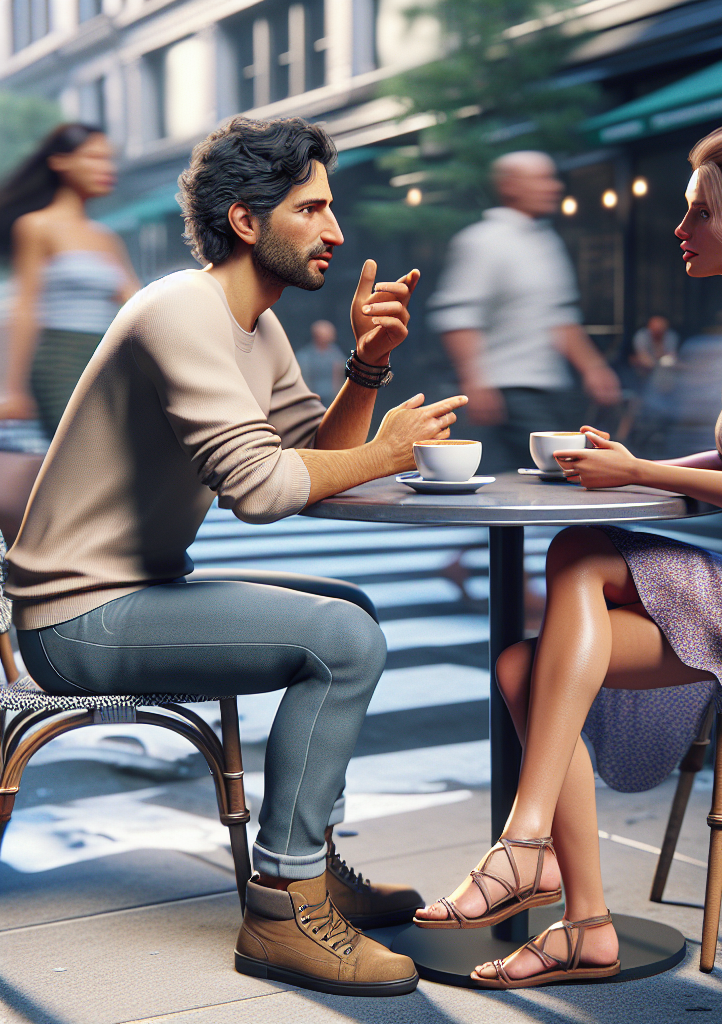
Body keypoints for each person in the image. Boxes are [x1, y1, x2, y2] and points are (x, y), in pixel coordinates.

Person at [414, 114, 722, 989]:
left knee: (582, 552)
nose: (679, 228)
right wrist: (622, 466)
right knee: (526, 668)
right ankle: (585, 924)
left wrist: (636, 471)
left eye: (698, 213)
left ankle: (525, 842)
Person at [6, 116, 467, 997]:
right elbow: (259, 489)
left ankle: (310, 862)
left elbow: (312, 462)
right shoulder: (181, 309)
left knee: (352, 613)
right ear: (247, 221)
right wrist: (391, 451)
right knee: (343, 642)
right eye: (311, 209)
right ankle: (282, 910)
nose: (336, 231)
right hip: (77, 618)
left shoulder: (259, 327)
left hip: (136, 590)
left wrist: (366, 369)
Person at [428, 150, 621, 471]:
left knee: (552, 476)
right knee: (545, 475)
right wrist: (475, 381)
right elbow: (458, 317)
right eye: (542, 179)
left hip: (553, 388)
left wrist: (593, 368)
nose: (555, 187)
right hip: (505, 392)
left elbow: (559, 318)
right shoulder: (482, 241)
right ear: (510, 186)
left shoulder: (546, 242)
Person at [0, 123, 140, 436]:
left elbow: (137, 305)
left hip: (106, 362)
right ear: (60, 162)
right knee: (82, 450)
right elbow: (26, 308)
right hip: (60, 361)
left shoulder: (106, 238)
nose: (107, 168)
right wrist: (14, 389)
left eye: (109, 159)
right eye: (94, 157)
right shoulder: (36, 227)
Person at [297, 318, 345, 402]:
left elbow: (341, 376)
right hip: (312, 398)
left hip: (333, 399)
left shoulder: (336, 354)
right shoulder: (304, 357)